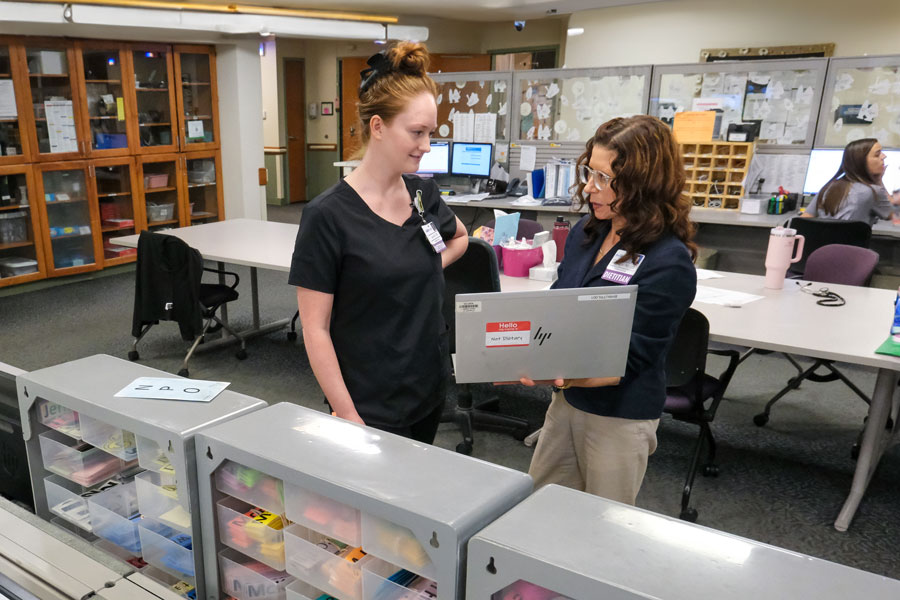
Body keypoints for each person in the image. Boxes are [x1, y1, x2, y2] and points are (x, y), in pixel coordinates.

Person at [288, 42, 468, 444]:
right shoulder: (328, 215)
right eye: (416, 132)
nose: (426, 146)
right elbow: (314, 329)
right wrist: (347, 413)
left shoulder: (423, 193)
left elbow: (460, 238)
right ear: (378, 127)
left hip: (427, 385)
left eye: (431, 134)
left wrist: (420, 270)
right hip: (369, 401)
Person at [520, 115, 698, 505]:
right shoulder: (590, 231)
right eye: (589, 172)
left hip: (618, 415)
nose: (589, 187)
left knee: (602, 526)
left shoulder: (668, 261)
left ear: (641, 185)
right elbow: (559, 306)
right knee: (540, 508)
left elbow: (631, 357)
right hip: (567, 401)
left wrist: (555, 371)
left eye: (603, 179)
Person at [803, 138, 900, 225]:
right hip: (850, 245)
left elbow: (804, 219)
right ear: (861, 162)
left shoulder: (829, 187)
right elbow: (895, 215)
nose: (884, 156)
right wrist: (879, 181)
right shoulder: (873, 191)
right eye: (877, 154)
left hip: (824, 245)